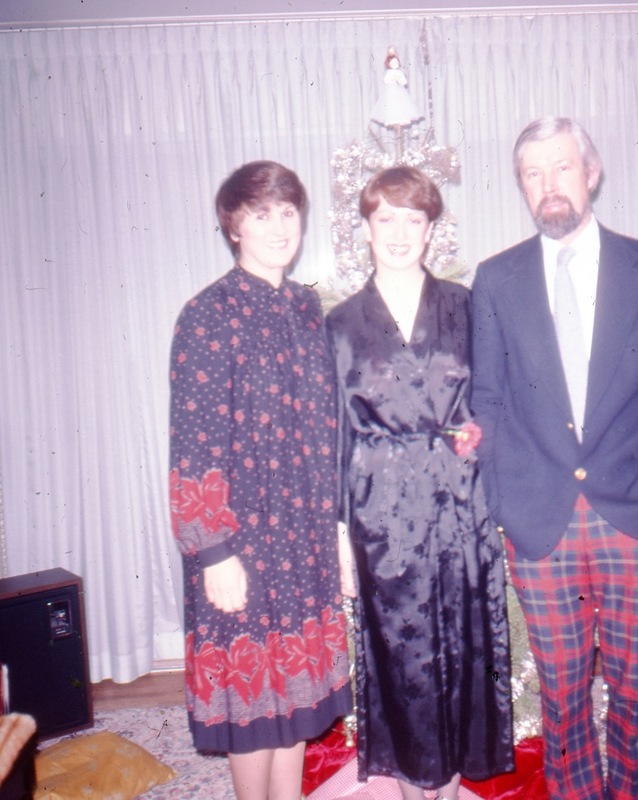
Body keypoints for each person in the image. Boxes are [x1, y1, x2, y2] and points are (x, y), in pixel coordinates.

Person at [471, 117, 638, 800]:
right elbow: (486, 400)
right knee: (563, 695)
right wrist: (500, 499)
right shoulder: (496, 279)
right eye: (533, 174)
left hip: (635, 512)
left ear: (592, 173)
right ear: (522, 187)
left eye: (562, 168)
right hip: (540, 521)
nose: (548, 185)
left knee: (635, 690)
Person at [326, 166, 514, 800]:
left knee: (462, 655)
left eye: (415, 218)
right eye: (386, 218)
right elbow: (336, 436)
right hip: (380, 512)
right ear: (367, 227)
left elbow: (498, 400)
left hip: (461, 502)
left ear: (432, 228)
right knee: (403, 664)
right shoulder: (340, 324)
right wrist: (339, 536)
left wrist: (482, 444)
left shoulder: (466, 306)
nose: (400, 232)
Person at [168, 160, 352, 800]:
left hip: (304, 535)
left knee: (294, 702)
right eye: (261, 214)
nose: (279, 227)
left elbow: (328, 431)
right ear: (234, 227)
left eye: (288, 212)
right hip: (240, 542)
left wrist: (337, 531)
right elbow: (193, 445)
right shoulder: (207, 314)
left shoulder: (306, 308)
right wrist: (213, 551)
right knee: (252, 709)